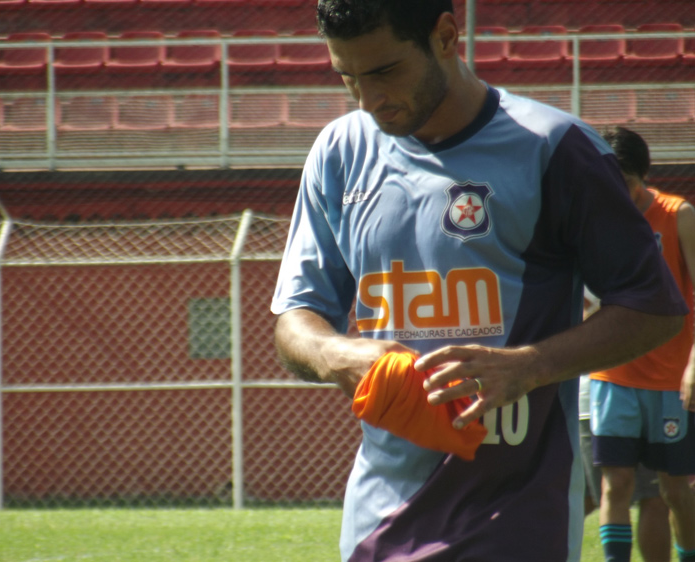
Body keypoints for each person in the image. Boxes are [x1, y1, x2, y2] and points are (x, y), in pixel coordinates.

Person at [270, 2, 687, 560]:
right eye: (348, 78)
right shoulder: (339, 153)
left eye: (385, 72)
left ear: (445, 35)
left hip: (516, 518)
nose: (369, 101)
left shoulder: (556, 149)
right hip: (380, 523)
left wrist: (530, 365)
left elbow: (655, 306)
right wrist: (335, 354)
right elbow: (295, 318)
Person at [590, 126, 695, 562]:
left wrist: (694, 364)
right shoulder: (595, 218)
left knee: (674, 487)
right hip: (612, 375)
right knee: (615, 483)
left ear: (644, 176)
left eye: (627, 183)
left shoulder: (679, 215)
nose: (620, 193)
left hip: (671, 379)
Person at [581, 289, 673, 562]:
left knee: (655, 496)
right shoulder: (587, 256)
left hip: (653, 387)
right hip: (596, 394)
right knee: (591, 494)